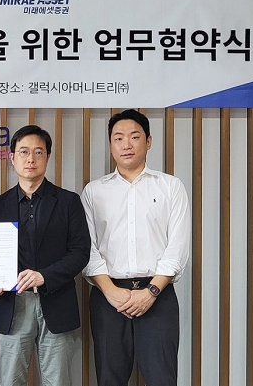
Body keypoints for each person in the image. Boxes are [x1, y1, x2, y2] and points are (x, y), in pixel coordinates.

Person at [81, 109, 191, 386]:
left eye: (134, 137)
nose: (126, 144)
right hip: (108, 298)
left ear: (148, 141)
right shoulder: (94, 191)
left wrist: (151, 292)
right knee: (110, 379)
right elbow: (87, 248)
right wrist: (111, 291)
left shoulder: (171, 187)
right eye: (118, 138)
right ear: (111, 145)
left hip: (158, 296)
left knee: (162, 379)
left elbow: (177, 247)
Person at [0, 124, 91, 386]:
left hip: (56, 302)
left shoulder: (68, 202)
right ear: (12, 158)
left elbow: (80, 252)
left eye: (38, 152)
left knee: (58, 381)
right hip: (13, 303)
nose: (30, 159)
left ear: (48, 156)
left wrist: (44, 276)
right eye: (23, 152)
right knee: (10, 381)